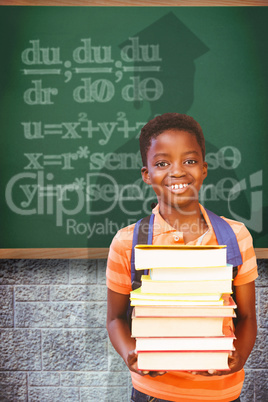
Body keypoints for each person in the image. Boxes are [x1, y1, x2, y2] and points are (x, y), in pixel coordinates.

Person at [106, 113, 258, 402]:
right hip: (155, 392)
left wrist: (240, 357)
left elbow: (248, 316)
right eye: (162, 163)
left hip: (221, 392)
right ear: (146, 174)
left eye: (189, 161)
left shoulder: (235, 237)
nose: (177, 172)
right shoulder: (127, 242)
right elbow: (115, 318)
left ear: (203, 169)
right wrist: (130, 354)